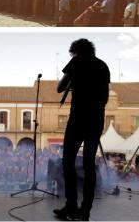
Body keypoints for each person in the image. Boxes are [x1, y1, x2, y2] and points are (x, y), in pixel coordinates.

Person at [54, 39, 110, 221]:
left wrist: (72, 79)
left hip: (78, 118)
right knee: (89, 165)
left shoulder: (77, 61)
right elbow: (105, 97)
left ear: (76, 51)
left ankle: (71, 205)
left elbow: (59, 88)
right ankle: (85, 211)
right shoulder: (103, 65)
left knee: (68, 161)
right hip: (96, 119)